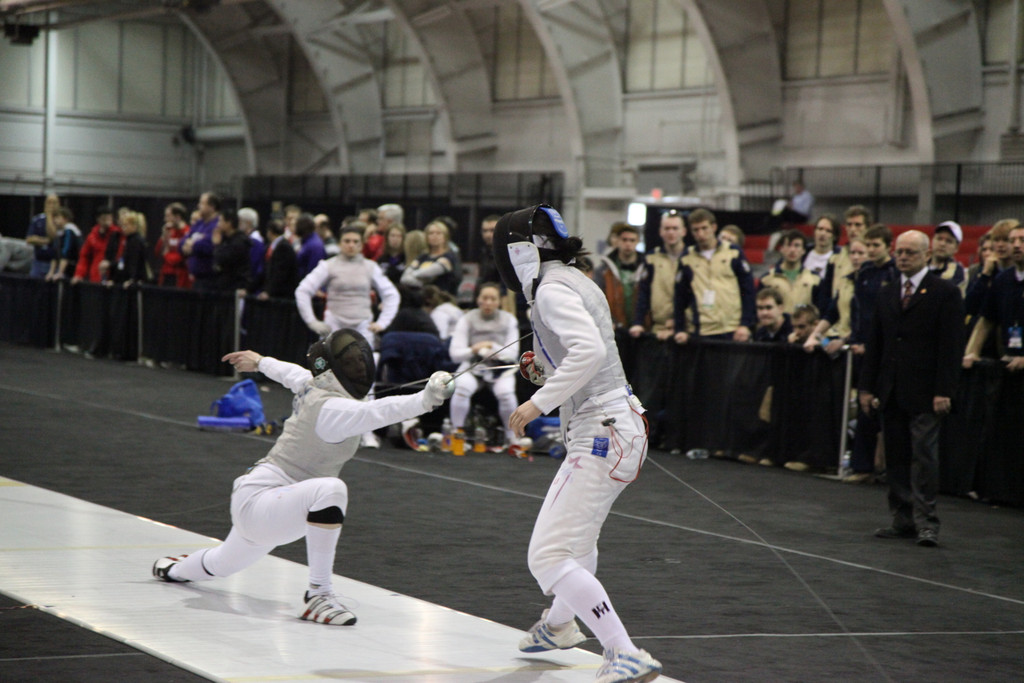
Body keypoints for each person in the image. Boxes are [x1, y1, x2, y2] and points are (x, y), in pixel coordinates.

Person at [152, 330, 456, 625]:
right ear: (333, 370)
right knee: (331, 490)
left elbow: (290, 372)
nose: (359, 367)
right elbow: (380, 411)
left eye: (360, 362)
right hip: (261, 498)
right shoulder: (334, 408)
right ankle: (318, 595)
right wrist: (426, 399)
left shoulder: (314, 385)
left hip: (278, 509)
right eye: (351, 363)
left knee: (220, 564)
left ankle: (173, 570)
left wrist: (259, 361)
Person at [493, 204, 662, 682]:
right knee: (577, 544)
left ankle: (624, 652)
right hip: (617, 426)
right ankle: (559, 626)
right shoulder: (575, 279)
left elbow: (587, 350)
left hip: (603, 431)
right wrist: (543, 367)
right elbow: (590, 350)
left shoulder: (550, 291)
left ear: (521, 252)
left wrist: (536, 402)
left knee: (547, 555)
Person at [859, 230, 964, 548]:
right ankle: (902, 518)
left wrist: (944, 389)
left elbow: (951, 346)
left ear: (926, 255)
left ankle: (926, 522)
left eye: (910, 252)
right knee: (897, 456)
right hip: (891, 390)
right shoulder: (887, 292)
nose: (902, 257)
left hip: (925, 391)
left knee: (924, 457)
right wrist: (866, 387)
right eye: (899, 251)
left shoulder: (945, 292)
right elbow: (875, 343)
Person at [448, 282, 519, 444]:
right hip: (473, 366)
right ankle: (456, 433)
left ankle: (512, 438)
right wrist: (474, 349)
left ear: (499, 301)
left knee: (506, 394)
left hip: (501, 368)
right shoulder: (467, 319)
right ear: (478, 299)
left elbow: (512, 354)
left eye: (492, 298)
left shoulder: (509, 320)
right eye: (484, 298)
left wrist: (490, 346)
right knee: (462, 389)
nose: (488, 302)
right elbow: (455, 354)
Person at [675, 208, 755, 343]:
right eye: (696, 230)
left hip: (732, 328)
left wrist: (745, 324)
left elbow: (748, 290)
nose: (700, 234)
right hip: (701, 329)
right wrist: (680, 328)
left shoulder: (733, 252)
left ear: (714, 227)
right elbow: (679, 296)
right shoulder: (686, 258)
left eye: (704, 228)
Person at [963, 223, 1024, 371]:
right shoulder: (1002, 280)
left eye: (1022, 240)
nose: (1016, 245)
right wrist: (972, 352)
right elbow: (986, 320)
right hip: (1008, 361)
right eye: (1012, 241)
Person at [803, 237, 868, 356]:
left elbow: (866, 322)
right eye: (852, 253)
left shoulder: (871, 284)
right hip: (841, 339)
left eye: (860, 253)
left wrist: (844, 341)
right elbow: (832, 313)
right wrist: (814, 336)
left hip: (859, 344)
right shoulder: (845, 282)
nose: (856, 257)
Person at [630, 210, 686, 340]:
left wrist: (679, 324)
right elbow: (643, 293)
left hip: (686, 330)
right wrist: (638, 322)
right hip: (658, 328)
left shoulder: (693, 258)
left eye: (675, 228)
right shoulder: (651, 258)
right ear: (661, 231)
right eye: (667, 228)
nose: (671, 232)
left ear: (683, 231)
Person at [758, 229, 826, 315]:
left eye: (797, 246)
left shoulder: (815, 280)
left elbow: (820, 310)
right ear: (781, 249)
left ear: (803, 250)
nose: (792, 250)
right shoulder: (767, 279)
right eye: (788, 245)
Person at [593, 223, 644, 329]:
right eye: (624, 240)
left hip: (641, 329)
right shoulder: (603, 270)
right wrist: (608, 321)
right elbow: (597, 299)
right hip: (613, 327)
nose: (628, 244)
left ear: (638, 241)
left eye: (632, 240)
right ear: (618, 241)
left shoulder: (648, 269)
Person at [401, 220, 461, 295]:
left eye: (438, 233)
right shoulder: (422, 256)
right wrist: (424, 285)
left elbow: (427, 273)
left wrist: (413, 276)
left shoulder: (449, 257)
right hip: (422, 297)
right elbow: (404, 278)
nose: (434, 236)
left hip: (441, 298)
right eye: (431, 233)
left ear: (445, 237)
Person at [181, 192, 222, 290]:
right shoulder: (199, 224)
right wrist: (186, 245)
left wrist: (193, 245)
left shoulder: (218, 224)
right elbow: (183, 241)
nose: (198, 206)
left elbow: (209, 245)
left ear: (212, 207)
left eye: (202, 203)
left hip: (211, 280)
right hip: (196, 278)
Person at [72, 206, 121, 284]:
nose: (106, 222)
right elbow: (84, 257)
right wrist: (79, 274)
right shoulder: (92, 236)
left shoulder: (117, 234)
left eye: (109, 218)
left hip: (112, 278)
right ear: (98, 220)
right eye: (104, 219)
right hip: (95, 277)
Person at [211, 208, 253, 293]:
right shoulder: (226, 240)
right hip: (224, 287)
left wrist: (217, 245)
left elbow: (223, 259)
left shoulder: (239, 242)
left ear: (229, 223)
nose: (218, 225)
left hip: (234, 288)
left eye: (220, 221)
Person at [255, 218, 298, 300]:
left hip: (281, 296)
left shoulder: (284, 247)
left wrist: (269, 292)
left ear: (270, 231)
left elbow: (280, 273)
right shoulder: (271, 246)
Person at [107, 211, 150, 287]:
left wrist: (132, 280)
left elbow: (135, 262)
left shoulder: (137, 241)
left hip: (134, 282)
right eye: (123, 226)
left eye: (126, 226)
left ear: (134, 226)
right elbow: (123, 260)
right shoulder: (128, 240)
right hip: (124, 279)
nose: (123, 228)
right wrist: (114, 279)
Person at [24, 193, 61, 278]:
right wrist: (45, 241)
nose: (51, 205)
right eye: (49, 202)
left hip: (54, 264)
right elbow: (29, 239)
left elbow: (53, 236)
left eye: (54, 202)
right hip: (38, 262)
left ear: (59, 204)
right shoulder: (37, 219)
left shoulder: (60, 221)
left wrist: (49, 217)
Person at [155, 202, 191, 287]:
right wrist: (163, 237)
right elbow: (157, 252)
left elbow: (179, 258)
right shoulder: (169, 231)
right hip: (166, 274)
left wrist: (166, 254)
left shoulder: (187, 232)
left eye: (168, 216)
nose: (165, 219)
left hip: (180, 277)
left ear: (177, 217)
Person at [928, 221, 966, 295]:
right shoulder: (920, 263)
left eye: (949, 241)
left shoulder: (957, 271)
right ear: (932, 241)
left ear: (956, 248)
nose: (942, 244)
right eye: (939, 239)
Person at [46, 208, 82, 281]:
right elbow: (55, 253)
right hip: (67, 267)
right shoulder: (59, 232)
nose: (55, 220)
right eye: (54, 218)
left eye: (58, 218)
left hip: (75, 265)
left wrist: (60, 272)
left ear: (66, 219)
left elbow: (66, 251)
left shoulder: (70, 230)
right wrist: (51, 272)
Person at [804, 214, 840, 279]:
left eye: (828, 231)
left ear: (835, 236)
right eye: (820, 229)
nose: (823, 233)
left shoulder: (839, 258)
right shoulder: (803, 253)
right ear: (814, 231)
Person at [239, 207, 266, 290]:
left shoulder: (256, 242)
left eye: (239, 221)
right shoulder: (246, 239)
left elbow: (253, 265)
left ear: (248, 223)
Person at [295, 213, 327, 281]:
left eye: (296, 225)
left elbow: (314, 271)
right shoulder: (307, 242)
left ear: (302, 226)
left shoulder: (315, 245)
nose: (295, 228)